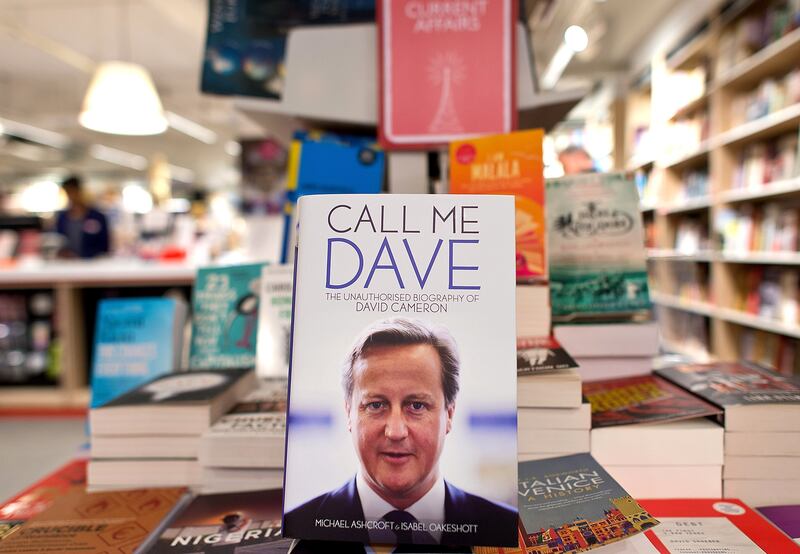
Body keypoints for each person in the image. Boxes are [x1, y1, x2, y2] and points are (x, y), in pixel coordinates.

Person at [284, 318, 517, 548]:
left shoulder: (506, 528)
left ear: (449, 415)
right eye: (376, 405)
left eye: (416, 405)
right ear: (349, 413)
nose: (395, 432)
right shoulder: (301, 528)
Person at [55, 176, 110, 258]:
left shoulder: (97, 217)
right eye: (68, 192)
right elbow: (59, 241)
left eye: (73, 191)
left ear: (80, 191)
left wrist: (86, 256)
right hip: (68, 264)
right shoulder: (62, 217)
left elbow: (104, 245)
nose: (71, 196)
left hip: (92, 264)